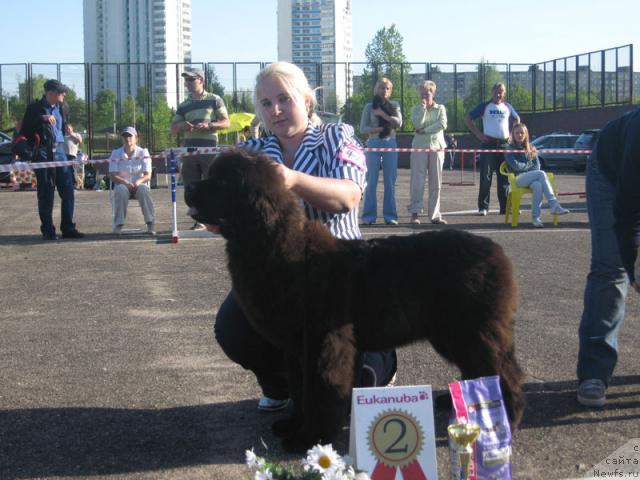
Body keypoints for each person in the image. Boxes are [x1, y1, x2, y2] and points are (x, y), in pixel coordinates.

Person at [213, 61, 397, 411]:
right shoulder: (254, 154)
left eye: (284, 99)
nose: (276, 110)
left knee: (358, 388)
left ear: (307, 100)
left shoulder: (337, 136)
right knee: (232, 327)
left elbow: (348, 197)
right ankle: (282, 385)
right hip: (279, 276)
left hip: (339, 271)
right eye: (266, 104)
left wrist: (293, 179)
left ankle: (379, 363)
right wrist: (218, 220)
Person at [576, 107, 640, 408]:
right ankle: (595, 372)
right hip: (610, 175)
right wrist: (634, 267)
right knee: (611, 269)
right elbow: (628, 213)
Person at [19, 79, 84, 240]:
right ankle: (48, 229)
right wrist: (42, 119)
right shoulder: (34, 108)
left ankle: (68, 228)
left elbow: (64, 125)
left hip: (60, 150)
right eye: (61, 92)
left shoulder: (63, 107)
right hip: (42, 151)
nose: (64, 94)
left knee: (68, 190)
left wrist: (70, 131)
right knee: (46, 192)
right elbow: (25, 131)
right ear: (51, 93)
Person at [170, 67, 230, 230]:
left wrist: (209, 125)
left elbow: (226, 122)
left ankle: (216, 218)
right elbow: (173, 128)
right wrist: (182, 125)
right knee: (191, 186)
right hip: (189, 150)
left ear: (201, 80)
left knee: (212, 184)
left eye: (191, 79)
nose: (187, 83)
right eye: (186, 80)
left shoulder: (214, 99)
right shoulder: (184, 105)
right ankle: (200, 220)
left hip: (209, 149)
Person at [465, 82, 520, 216]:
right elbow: (468, 118)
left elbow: (517, 118)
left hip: (504, 145)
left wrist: (512, 136)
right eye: (496, 91)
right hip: (489, 144)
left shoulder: (507, 106)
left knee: (504, 178)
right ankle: (483, 207)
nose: (498, 94)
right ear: (492, 92)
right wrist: (478, 134)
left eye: (501, 92)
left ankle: (505, 208)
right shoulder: (485, 106)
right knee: (486, 177)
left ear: (504, 93)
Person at [504, 123, 569, 228]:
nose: (519, 135)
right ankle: (553, 204)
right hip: (517, 179)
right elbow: (516, 167)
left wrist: (527, 166)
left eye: (522, 133)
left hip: (531, 177)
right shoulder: (509, 148)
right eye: (517, 133)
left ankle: (536, 218)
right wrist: (529, 164)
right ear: (513, 134)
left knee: (538, 185)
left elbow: (537, 166)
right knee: (541, 174)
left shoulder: (531, 148)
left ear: (526, 134)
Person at [360, 78, 403, 225]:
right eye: (381, 88)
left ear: (390, 91)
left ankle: (390, 216)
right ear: (376, 89)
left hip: (390, 144)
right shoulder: (368, 107)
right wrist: (379, 129)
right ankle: (368, 217)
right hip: (372, 144)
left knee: (390, 182)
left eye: (387, 88)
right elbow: (362, 129)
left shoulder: (395, 105)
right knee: (371, 181)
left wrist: (383, 115)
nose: (384, 91)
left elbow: (398, 123)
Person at [408, 80, 448, 225]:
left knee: (436, 182)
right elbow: (417, 124)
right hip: (419, 147)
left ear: (433, 93)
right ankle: (414, 214)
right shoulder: (416, 109)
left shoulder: (441, 108)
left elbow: (442, 124)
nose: (425, 96)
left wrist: (425, 130)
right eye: (423, 94)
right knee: (417, 181)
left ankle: (435, 215)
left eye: (428, 93)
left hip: (437, 148)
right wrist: (423, 110)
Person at [108, 126, 156, 235]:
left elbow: (148, 175)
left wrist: (137, 183)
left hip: (139, 184)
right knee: (120, 190)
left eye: (130, 136)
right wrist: (126, 183)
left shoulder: (143, 152)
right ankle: (118, 225)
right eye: (125, 136)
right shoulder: (115, 153)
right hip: (123, 185)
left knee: (144, 189)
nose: (127, 138)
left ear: (136, 138)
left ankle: (150, 224)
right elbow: (112, 175)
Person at [64, 123, 83, 189]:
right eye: (66, 128)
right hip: (63, 155)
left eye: (69, 128)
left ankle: (74, 183)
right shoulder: (63, 135)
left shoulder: (76, 135)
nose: (67, 129)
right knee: (64, 170)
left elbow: (80, 141)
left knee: (72, 170)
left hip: (71, 155)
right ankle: (66, 184)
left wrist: (71, 134)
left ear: (72, 128)